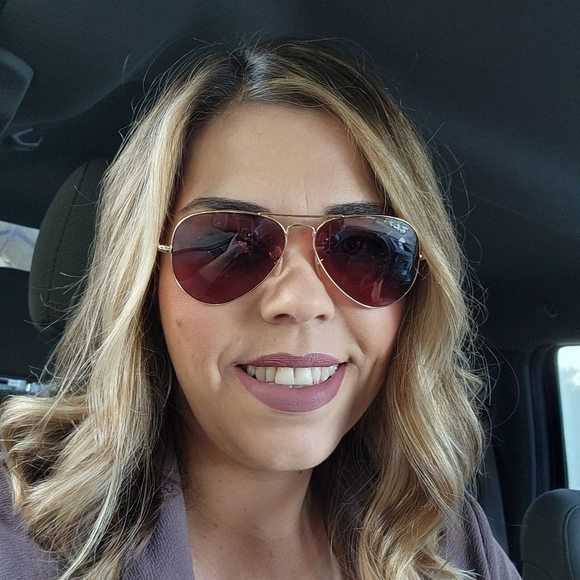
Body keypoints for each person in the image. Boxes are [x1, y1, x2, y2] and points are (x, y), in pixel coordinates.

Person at [0, 38, 521, 580]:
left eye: (362, 247)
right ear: (145, 283)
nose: (300, 302)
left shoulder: (447, 541)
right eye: (226, 244)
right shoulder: (18, 541)